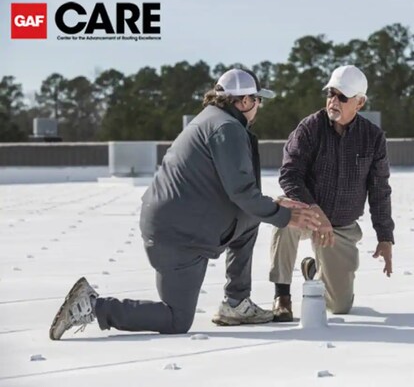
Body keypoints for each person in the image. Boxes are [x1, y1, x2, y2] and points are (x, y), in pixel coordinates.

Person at [49, 68, 321, 340]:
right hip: (177, 236)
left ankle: (236, 304)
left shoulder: (212, 119)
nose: (259, 106)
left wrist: (271, 206)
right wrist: (286, 216)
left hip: (175, 222)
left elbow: (238, 195)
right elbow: (241, 193)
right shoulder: (227, 128)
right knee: (176, 319)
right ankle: (93, 306)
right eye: (257, 100)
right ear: (245, 101)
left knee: (249, 222)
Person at [269, 65, 394, 321]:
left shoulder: (373, 137)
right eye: (330, 94)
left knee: (339, 307)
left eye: (342, 97)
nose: (333, 102)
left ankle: (314, 272)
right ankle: (281, 296)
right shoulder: (309, 128)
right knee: (284, 216)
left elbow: (379, 189)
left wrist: (385, 237)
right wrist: (314, 210)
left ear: (360, 103)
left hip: (341, 225)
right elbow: (289, 174)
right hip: (309, 214)